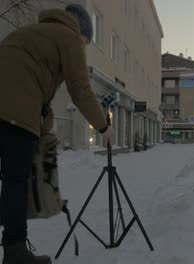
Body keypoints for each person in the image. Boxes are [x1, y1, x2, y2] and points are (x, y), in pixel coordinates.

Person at [0, 4, 115, 263]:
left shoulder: (30, 33)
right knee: (15, 181)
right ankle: (15, 252)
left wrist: (42, 125)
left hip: (11, 107)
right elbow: (80, 89)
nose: (83, 48)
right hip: (13, 111)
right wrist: (104, 128)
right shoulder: (70, 37)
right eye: (86, 43)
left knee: (10, 180)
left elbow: (35, 91)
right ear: (82, 33)